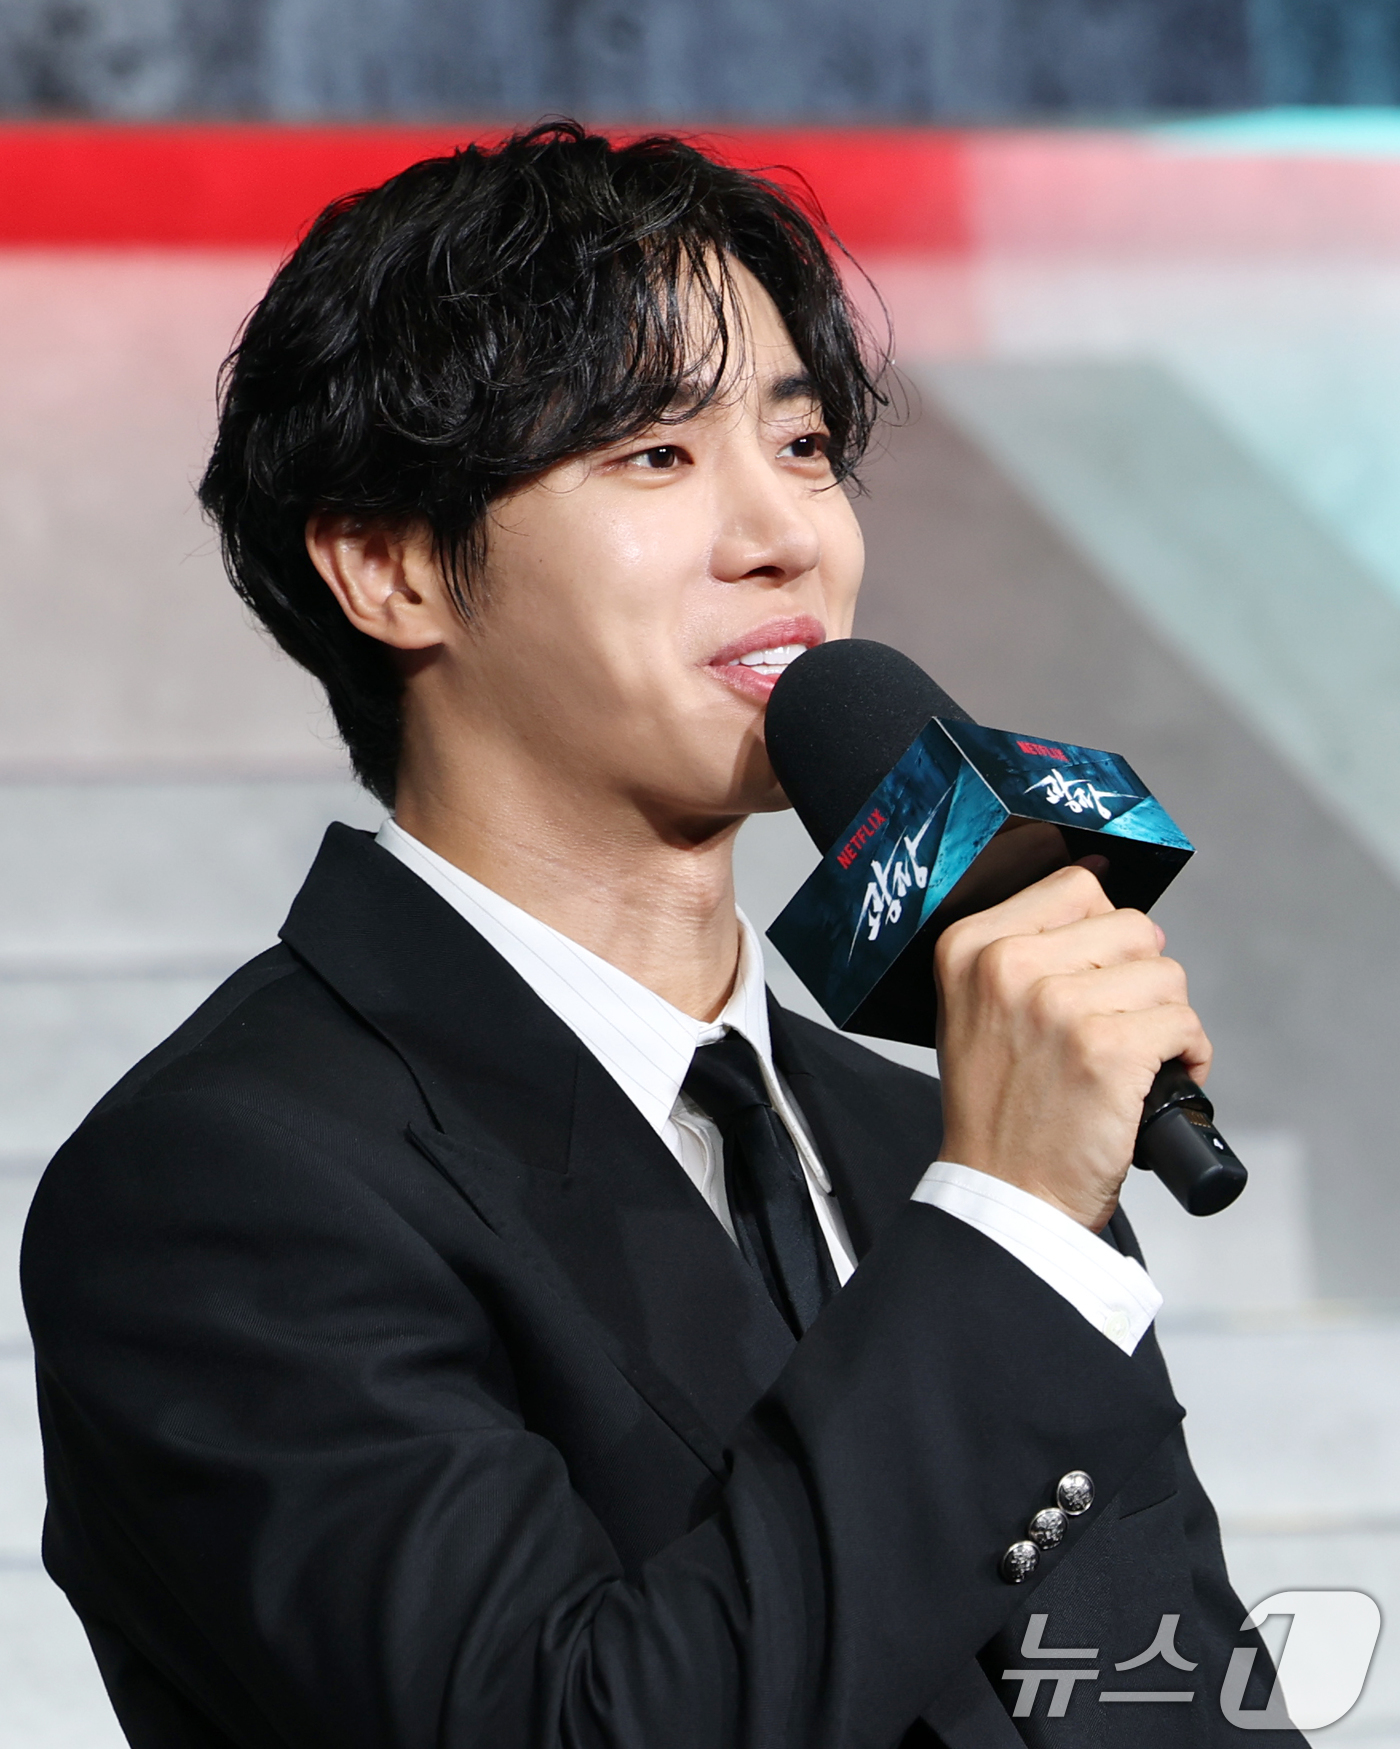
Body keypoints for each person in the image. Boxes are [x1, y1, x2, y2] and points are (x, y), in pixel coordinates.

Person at [21, 122, 1300, 1748]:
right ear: (388, 566)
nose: (785, 534)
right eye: (653, 454)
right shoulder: (226, 1188)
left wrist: (1012, 1200)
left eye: (805, 443)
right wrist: (1009, 1225)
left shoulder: (934, 1137)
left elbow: (1174, 1703)